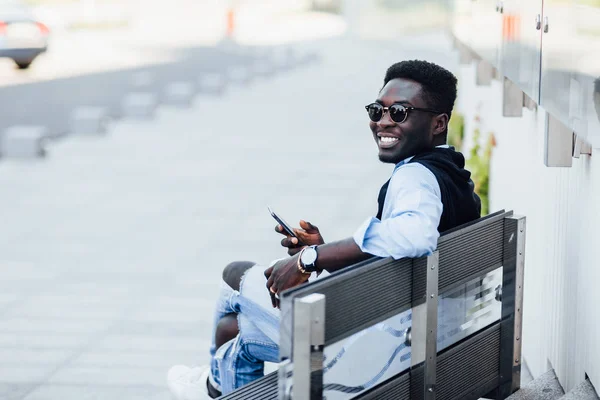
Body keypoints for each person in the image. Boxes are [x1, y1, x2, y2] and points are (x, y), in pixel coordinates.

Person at [167, 60, 481, 399]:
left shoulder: (415, 177)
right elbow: (399, 263)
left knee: (235, 276)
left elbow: (414, 235)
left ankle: (211, 385)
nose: (383, 122)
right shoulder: (452, 177)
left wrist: (310, 259)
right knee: (233, 331)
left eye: (400, 112)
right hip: (414, 342)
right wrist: (327, 250)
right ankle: (214, 385)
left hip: (377, 356)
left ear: (438, 123)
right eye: (377, 111)